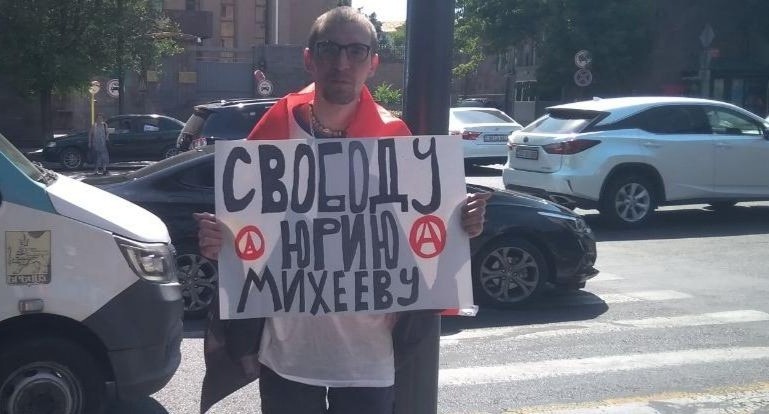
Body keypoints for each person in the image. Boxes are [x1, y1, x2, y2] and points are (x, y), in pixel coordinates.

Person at [194, 6, 491, 414]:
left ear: (372, 63)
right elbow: (246, 240)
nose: (341, 62)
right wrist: (218, 244)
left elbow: (424, 240)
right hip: (287, 356)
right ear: (308, 58)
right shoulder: (270, 137)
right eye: (329, 49)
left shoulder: (396, 140)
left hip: (369, 360)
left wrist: (461, 226)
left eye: (355, 51)